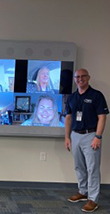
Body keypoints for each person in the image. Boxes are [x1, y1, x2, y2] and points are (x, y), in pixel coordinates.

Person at [64, 68, 108, 213]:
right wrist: (67, 137)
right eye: (77, 77)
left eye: (83, 76)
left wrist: (98, 136)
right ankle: (83, 192)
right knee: (79, 166)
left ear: (88, 78)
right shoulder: (72, 97)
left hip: (91, 135)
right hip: (75, 135)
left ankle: (93, 199)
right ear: (75, 79)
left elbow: (102, 117)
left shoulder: (96, 96)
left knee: (92, 168)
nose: (80, 79)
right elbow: (68, 118)